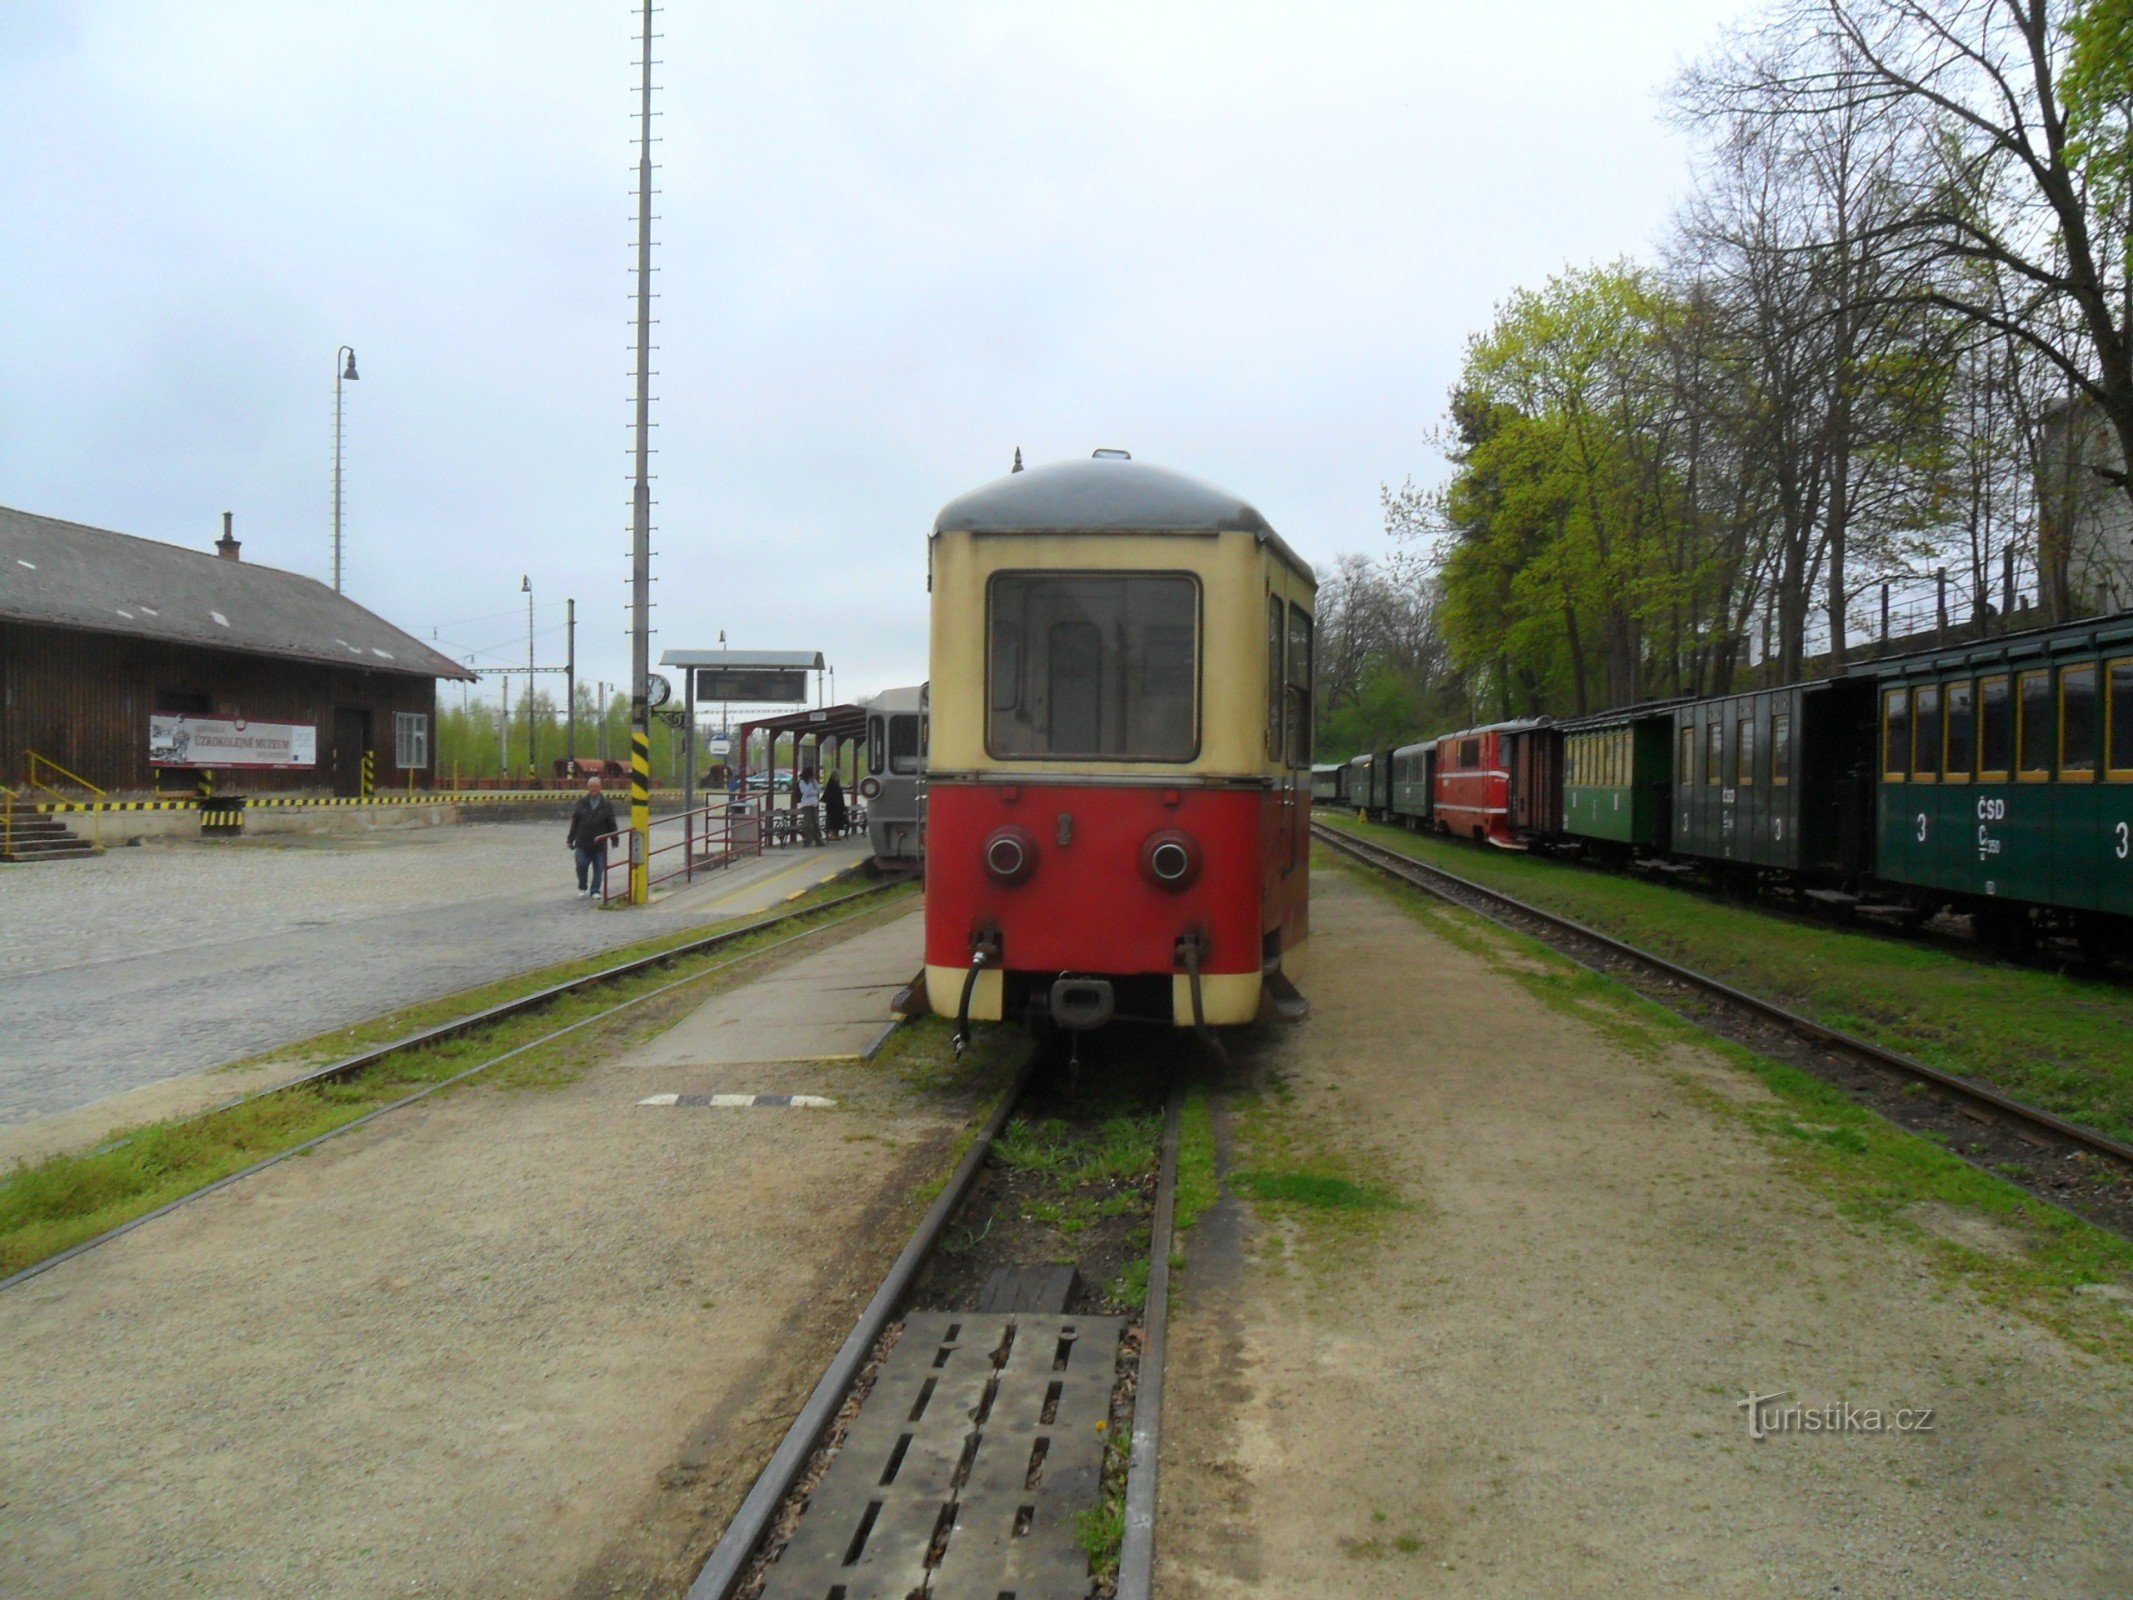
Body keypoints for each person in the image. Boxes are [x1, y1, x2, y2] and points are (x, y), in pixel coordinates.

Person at [566, 775, 619, 899]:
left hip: (599, 844)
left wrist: (614, 839)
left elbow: (612, 823)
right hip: (582, 842)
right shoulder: (581, 803)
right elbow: (575, 822)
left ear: (600, 788)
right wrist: (570, 839)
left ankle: (595, 890)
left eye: (596, 786)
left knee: (599, 868)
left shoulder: (606, 804)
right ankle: (582, 886)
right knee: (581, 864)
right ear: (587, 787)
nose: (594, 789)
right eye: (591, 786)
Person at [799, 769, 823, 847]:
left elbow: (819, 789)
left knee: (816, 823)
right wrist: (814, 791)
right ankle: (809, 838)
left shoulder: (814, 781)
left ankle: (817, 840)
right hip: (807, 805)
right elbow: (806, 793)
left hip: (814, 805)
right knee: (807, 824)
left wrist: (813, 785)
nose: (812, 777)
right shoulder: (802, 782)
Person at [823, 770, 848, 839]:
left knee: (837, 820)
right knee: (832, 820)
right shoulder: (831, 785)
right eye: (837, 776)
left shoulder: (836, 784)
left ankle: (836, 834)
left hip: (838, 806)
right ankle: (832, 834)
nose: (838, 777)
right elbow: (829, 795)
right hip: (832, 806)